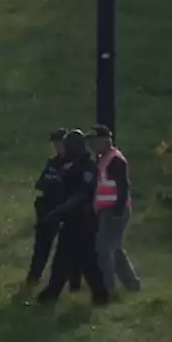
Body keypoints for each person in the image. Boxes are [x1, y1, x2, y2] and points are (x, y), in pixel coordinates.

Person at [36, 130, 109, 305]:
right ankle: (53, 292)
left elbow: (80, 195)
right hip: (71, 221)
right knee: (66, 260)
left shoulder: (88, 168)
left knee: (87, 262)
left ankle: (100, 295)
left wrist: (57, 213)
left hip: (83, 221)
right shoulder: (72, 165)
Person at [86, 124, 141, 295]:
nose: (91, 144)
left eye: (93, 140)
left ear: (104, 141)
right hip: (106, 211)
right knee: (114, 249)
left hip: (114, 211)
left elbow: (123, 187)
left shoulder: (115, 160)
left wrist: (117, 211)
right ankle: (132, 284)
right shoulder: (103, 159)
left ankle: (107, 289)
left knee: (103, 248)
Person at [27, 128, 81, 292]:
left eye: (60, 143)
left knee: (70, 249)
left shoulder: (77, 163)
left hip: (68, 210)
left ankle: (74, 284)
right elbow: (41, 183)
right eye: (55, 144)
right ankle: (33, 278)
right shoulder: (52, 162)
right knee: (41, 246)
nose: (58, 147)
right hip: (49, 209)